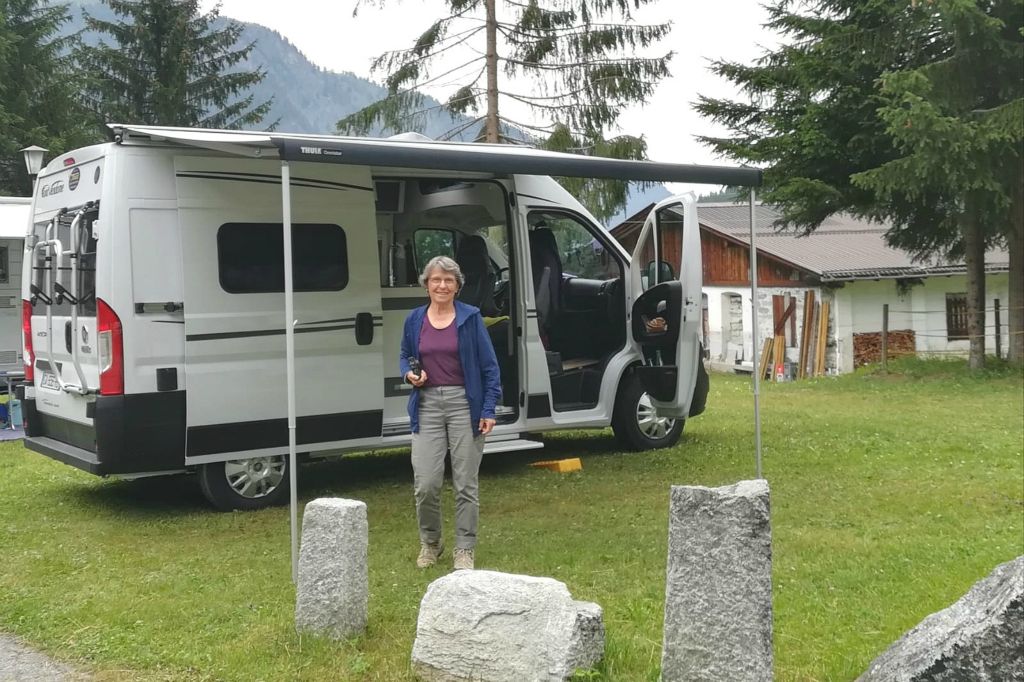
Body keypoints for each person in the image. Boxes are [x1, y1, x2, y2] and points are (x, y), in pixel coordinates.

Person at [400, 255, 501, 570]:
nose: (441, 285)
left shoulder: (470, 318)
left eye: (448, 280)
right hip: (426, 404)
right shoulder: (415, 319)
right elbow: (405, 355)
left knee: (465, 483)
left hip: (464, 405)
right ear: (426, 284)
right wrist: (409, 374)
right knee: (426, 483)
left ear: (457, 286)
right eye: (435, 280)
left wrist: (489, 408)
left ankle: (464, 548)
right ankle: (431, 542)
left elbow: (489, 367)